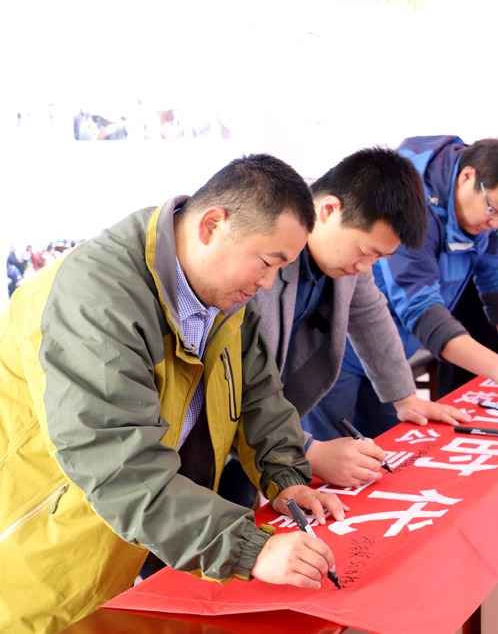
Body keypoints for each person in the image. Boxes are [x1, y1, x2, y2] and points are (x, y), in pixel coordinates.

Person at [0, 154, 348, 633]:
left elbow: (257, 393)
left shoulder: (221, 293)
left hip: (134, 542)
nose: (269, 283)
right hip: (45, 551)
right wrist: (251, 549)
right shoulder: (96, 301)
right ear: (212, 225)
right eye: (268, 262)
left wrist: (285, 475)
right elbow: (119, 467)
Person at [311, 136, 498, 439]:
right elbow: (418, 305)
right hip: (338, 353)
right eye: (495, 209)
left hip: (390, 355)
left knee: (393, 447)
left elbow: (497, 275)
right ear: (468, 177)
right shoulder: (413, 206)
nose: (496, 224)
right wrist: (496, 366)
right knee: (332, 448)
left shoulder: (485, 217)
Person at [254, 148, 469, 482]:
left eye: (379, 258)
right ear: (329, 210)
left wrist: (405, 397)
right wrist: (308, 450)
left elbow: (369, 314)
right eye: (367, 252)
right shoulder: (264, 254)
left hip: (269, 415)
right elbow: (238, 382)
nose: (366, 268)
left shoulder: (343, 254)